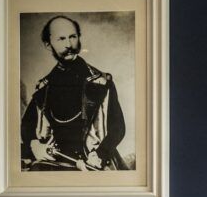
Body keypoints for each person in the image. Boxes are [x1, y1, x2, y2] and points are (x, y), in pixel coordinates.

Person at [20, 15, 128, 171]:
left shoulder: (101, 82)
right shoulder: (44, 88)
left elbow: (118, 128)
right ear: (48, 44)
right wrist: (34, 144)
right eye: (61, 39)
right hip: (53, 162)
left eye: (73, 37)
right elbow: (27, 126)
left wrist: (100, 154)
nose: (69, 44)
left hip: (92, 162)